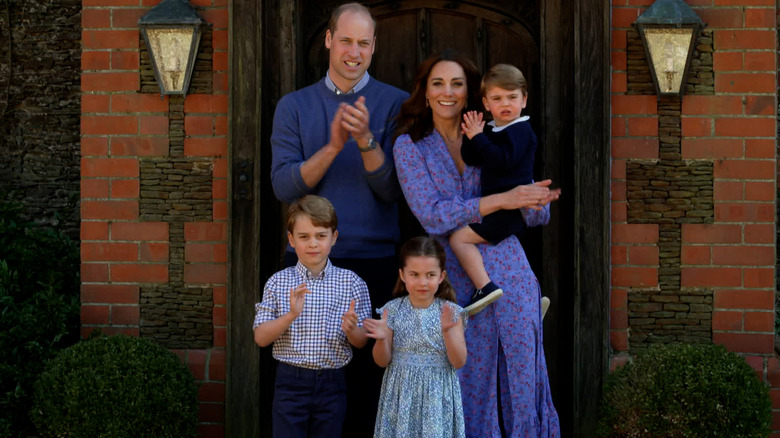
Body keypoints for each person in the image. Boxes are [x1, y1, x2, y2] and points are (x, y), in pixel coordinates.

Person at [393, 50, 561, 437]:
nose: (447, 92)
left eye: (457, 84)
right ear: (426, 91)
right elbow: (431, 215)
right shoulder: (410, 146)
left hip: (510, 265)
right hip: (454, 275)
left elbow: (529, 210)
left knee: (522, 373)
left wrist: (535, 201)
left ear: (471, 94)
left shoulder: (496, 133)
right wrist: (502, 200)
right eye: (438, 83)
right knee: (468, 375)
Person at [269, 3, 408, 435]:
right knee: (310, 387)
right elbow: (284, 188)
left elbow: (392, 192)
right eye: (345, 40)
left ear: (374, 47)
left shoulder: (395, 104)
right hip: (310, 264)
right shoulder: (294, 106)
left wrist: (366, 140)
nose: (354, 51)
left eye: (363, 43)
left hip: (376, 262)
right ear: (328, 40)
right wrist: (331, 146)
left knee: (369, 386)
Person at [253, 195, 372, 438]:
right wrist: (290, 315)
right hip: (290, 382)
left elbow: (361, 342)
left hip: (332, 383)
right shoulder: (278, 282)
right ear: (291, 240)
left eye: (321, 236)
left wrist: (351, 330)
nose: (313, 244)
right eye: (304, 236)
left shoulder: (351, 283)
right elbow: (261, 338)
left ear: (334, 238)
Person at [450, 64, 538, 315]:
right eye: (497, 98)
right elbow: (473, 158)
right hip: (496, 207)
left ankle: (484, 287)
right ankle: (525, 301)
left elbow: (501, 161)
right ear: (486, 104)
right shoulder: (494, 129)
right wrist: (471, 134)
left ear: (524, 99)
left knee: (459, 239)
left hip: (508, 211)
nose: (506, 104)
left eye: (512, 97)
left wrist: (479, 137)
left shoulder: (521, 131)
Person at [364, 236, 467, 438]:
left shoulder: (451, 312)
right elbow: (382, 361)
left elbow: (459, 361)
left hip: (437, 395)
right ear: (402, 275)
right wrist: (382, 339)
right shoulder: (391, 310)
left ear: (441, 276)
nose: (422, 282)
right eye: (414, 274)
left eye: (430, 275)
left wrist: (448, 332)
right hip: (401, 395)